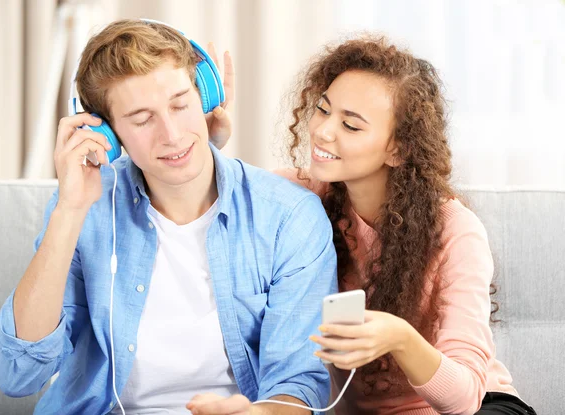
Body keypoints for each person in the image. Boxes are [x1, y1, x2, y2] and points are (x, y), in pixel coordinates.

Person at [0, 19, 337, 415]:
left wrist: (257, 413)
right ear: (108, 134)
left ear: (204, 96)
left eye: (179, 104)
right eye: (141, 119)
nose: (171, 134)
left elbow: (298, 383)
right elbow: (16, 375)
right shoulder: (88, 209)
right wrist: (69, 211)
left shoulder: (287, 216)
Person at [214, 35, 536, 415]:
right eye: (323, 109)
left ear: (398, 148)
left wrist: (400, 338)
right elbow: (224, 196)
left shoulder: (454, 230)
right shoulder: (300, 197)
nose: (322, 131)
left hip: (477, 406)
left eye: (351, 126)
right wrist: (212, 145)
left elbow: (464, 398)